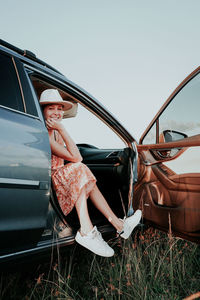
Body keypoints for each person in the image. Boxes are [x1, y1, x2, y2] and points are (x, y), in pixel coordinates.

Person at [40, 89, 142, 257]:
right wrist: (63, 129)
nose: (57, 113)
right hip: (50, 179)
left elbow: (74, 155)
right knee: (80, 169)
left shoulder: (55, 131)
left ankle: (119, 225)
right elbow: (77, 157)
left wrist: (60, 130)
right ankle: (87, 232)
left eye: (59, 108)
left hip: (61, 176)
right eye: (51, 108)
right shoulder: (45, 133)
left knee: (86, 176)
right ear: (43, 110)